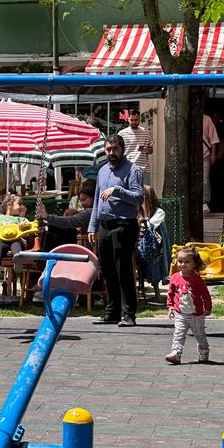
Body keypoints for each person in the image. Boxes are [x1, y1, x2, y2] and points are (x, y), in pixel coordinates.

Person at [88, 134, 144, 327]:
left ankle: (129, 314)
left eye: (115, 149)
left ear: (122, 150)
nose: (111, 153)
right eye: (108, 149)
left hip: (124, 225)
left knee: (123, 270)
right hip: (104, 225)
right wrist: (92, 226)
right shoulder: (102, 171)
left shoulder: (132, 170)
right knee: (108, 270)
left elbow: (138, 197)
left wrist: (118, 190)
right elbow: (96, 200)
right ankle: (112, 311)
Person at [164, 246, 212, 365]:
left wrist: (208, 308)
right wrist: (170, 306)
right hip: (180, 314)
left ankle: (204, 351)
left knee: (199, 335)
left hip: (196, 315)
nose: (182, 264)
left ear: (194, 264)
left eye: (187, 262)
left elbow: (205, 295)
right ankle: (176, 353)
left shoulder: (197, 280)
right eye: (180, 261)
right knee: (178, 334)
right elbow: (170, 293)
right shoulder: (175, 277)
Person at [137, 185, 171, 300]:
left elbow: (150, 227)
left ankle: (156, 290)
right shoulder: (137, 211)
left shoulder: (159, 212)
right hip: (138, 244)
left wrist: (143, 221)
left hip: (154, 246)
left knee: (153, 257)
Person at [0, 194, 31, 278]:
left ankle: (17, 258)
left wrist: (23, 225)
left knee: (16, 244)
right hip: (3, 240)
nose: (22, 206)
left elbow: (29, 228)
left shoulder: (20, 219)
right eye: (19, 204)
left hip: (17, 239)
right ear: (9, 205)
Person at [117, 110, 154, 185]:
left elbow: (151, 150)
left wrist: (146, 150)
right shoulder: (122, 134)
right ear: (128, 119)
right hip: (126, 169)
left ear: (139, 119)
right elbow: (119, 151)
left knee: (145, 194)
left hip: (143, 169)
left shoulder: (147, 133)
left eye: (136, 120)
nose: (134, 122)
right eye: (132, 120)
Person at [202, 114, 220, 214]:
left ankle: (204, 202)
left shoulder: (207, 119)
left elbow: (213, 138)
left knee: (205, 179)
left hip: (205, 154)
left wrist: (213, 153)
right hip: (191, 155)